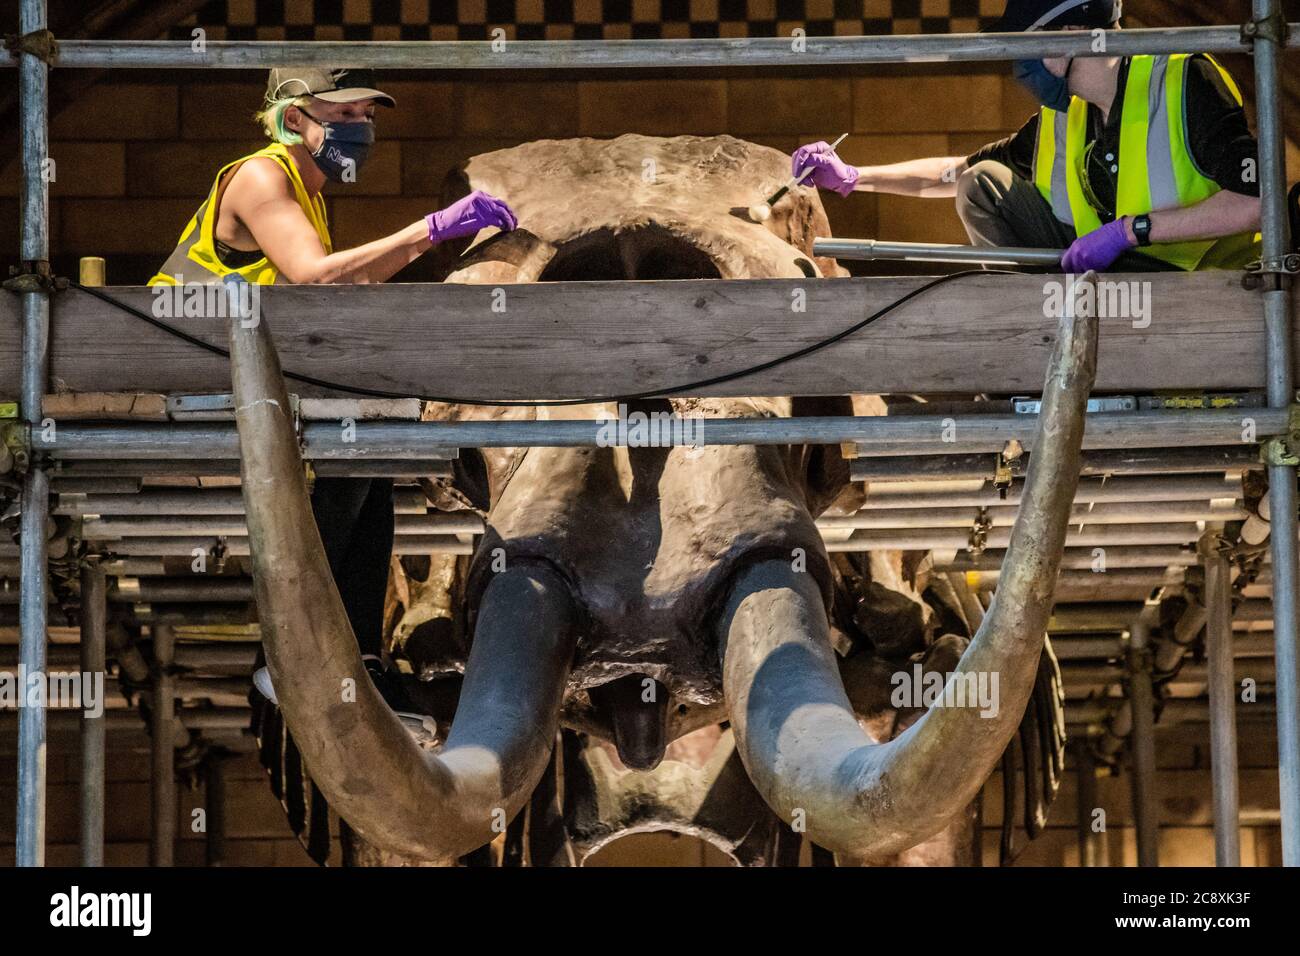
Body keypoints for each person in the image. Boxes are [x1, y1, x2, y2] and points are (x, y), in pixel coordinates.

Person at [149, 67, 518, 708]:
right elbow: (316, 278)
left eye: (368, 117)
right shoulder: (262, 175)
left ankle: (358, 661)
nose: (362, 128)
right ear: (295, 119)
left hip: (245, 369)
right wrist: (433, 229)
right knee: (356, 446)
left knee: (367, 458)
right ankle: (285, 657)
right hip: (185, 372)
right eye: (345, 116)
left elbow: (330, 289)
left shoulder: (306, 192)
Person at [791, 0, 1262, 273]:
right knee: (983, 182)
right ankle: (1028, 337)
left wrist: (1129, 231)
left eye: (1027, 42)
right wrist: (853, 176)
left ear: (1076, 32)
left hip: (1201, 281)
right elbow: (956, 173)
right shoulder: (1064, 116)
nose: (1020, 61)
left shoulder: (1184, 81)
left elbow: (1255, 202)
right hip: (1113, 282)